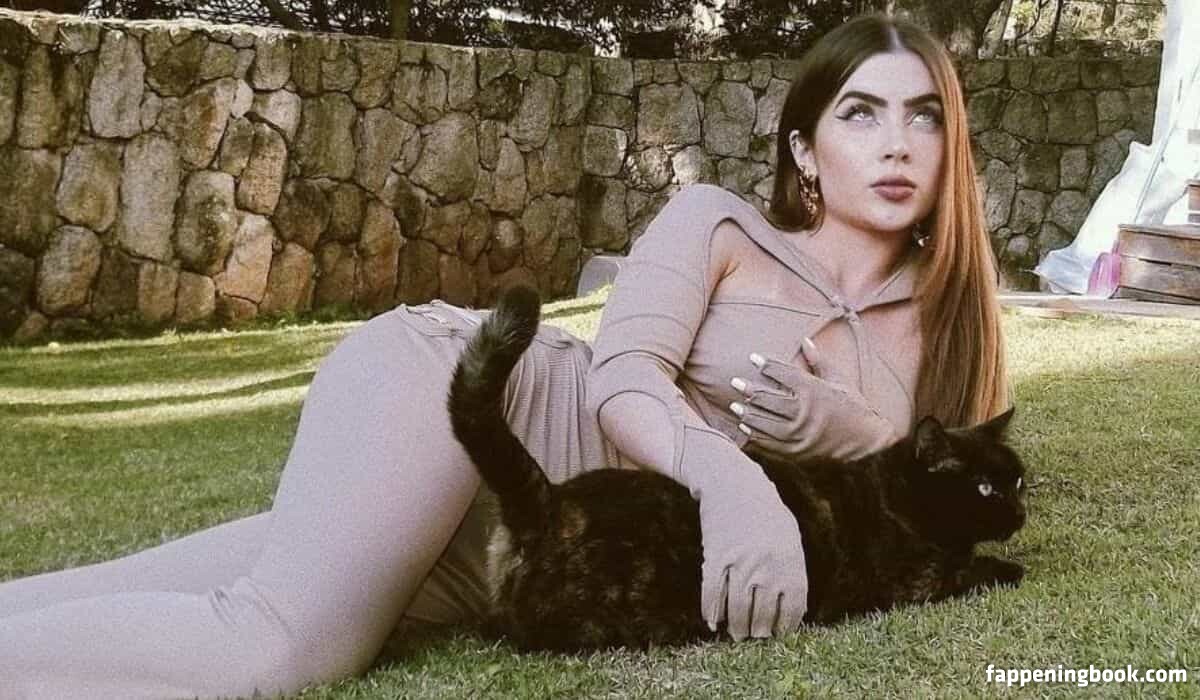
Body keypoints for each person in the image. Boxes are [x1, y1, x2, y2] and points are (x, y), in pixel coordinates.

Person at [0, 12, 1008, 699]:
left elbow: (933, 493)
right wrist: (732, 479)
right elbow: (621, 377)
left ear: (950, 142)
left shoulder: (952, 324)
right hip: (471, 408)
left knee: (120, 592)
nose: (896, 144)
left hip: (550, 555)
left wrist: (862, 430)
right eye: (861, 113)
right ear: (804, 149)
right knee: (276, 644)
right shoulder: (721, 222)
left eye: (923, 116)